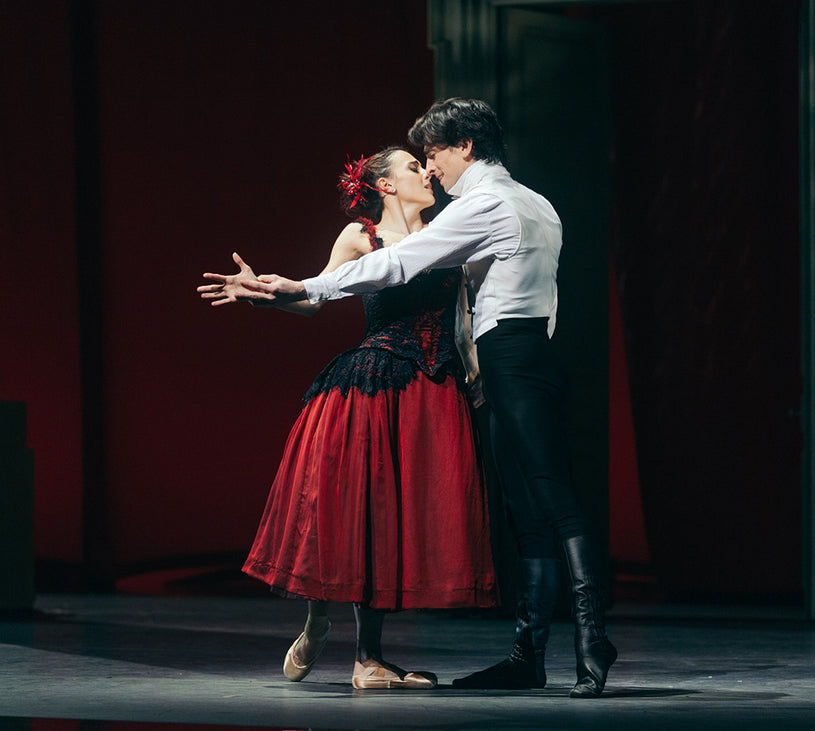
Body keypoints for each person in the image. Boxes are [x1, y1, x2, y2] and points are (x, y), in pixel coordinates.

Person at [226, 98, 618, 699]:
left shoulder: (476, 208)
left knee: (540, 507)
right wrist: (286, 293)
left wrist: (302, 286)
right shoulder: (537, 203)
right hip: (468, 360)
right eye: (418, 162)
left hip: (480, 363)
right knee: (515, 514)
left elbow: (410, 270)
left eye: (431, 154)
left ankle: (586, 644)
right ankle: (528, 656)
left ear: (463, 146)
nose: (430, 169)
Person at [198, 147, 497, 689]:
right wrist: (260, 296)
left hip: (434, 384)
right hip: (373, 378)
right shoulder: (361, 235)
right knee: (360, 507)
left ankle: (368, 657)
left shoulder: (447, 230)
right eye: (412, 167)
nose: (425, 172)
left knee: (399, 516)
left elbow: (466, 313)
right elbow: (315, 298)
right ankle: (328, 625)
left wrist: (475, 378)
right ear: (384, 185)